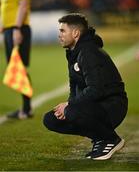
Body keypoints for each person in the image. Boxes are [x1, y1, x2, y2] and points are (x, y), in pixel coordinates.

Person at [43, 13, 128, 160]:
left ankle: (111, 139)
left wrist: (69, 105)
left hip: (113, 105)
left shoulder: (89, 52)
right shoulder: (74, 52)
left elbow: (96, 89)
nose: (59, 35)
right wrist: (68, 106)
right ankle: (99, 138)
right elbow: (74, 86)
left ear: (75, 33)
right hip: (97, 105)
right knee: (51, 119)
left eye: (63, 31)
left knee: (71, 111)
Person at [0, 0, 33, 119]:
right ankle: (26, 108)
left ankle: (26, 109)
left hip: (17, 29)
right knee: (16, 68)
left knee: (19, 68)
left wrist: (17, 29)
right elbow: (6, 7)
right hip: (11, 29)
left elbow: (23, 5)